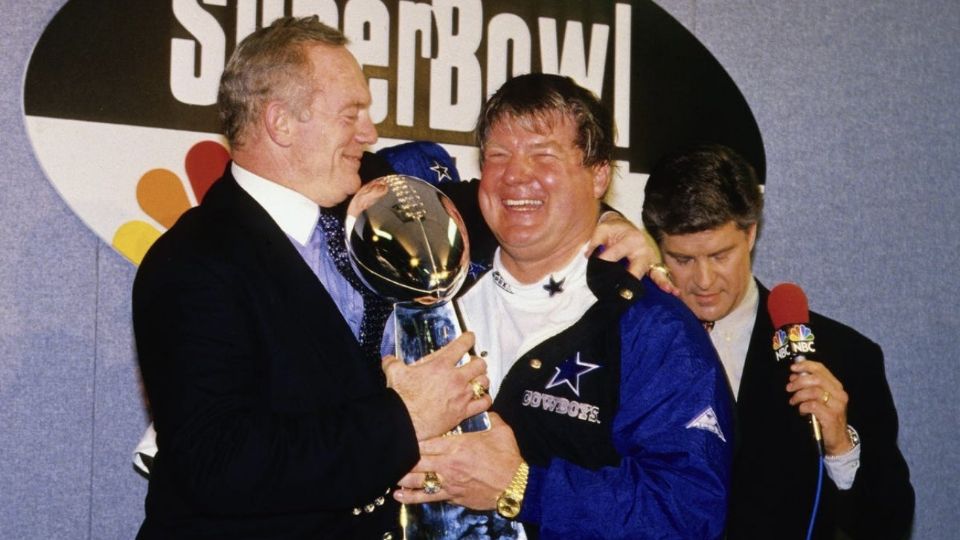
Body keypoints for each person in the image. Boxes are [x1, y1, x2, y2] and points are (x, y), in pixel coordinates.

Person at [132, 17, 492, 538]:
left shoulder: (372, 199)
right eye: (352, 115)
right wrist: (404, 418)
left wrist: (604, 224)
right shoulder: (191, 263)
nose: (369, 134)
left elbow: (497, 208)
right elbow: (221, 463)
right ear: (280, 123)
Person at [392, 73, 733, 539]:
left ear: (599, 175)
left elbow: (688, 515)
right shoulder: (422, 299)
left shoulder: (652, 326)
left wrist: (521, 487)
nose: (516, 175)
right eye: (498, 155)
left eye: (543, 154)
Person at [641, 144, 915, 539]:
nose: (703, 281)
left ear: (751, 233)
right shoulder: (628, 343)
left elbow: (887, 523)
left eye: (719, 256)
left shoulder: (846, 357)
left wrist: (841, 446)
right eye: (682, 260)